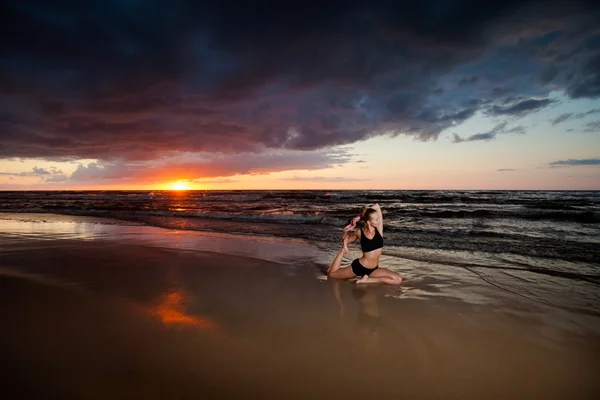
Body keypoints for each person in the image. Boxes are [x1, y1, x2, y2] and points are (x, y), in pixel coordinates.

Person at [327, 203, 402, 285]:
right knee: (331, 275)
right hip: (359, 267)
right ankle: (363, 276)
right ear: (369, 222)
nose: (379, 221)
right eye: (376, 219)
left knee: (398, 279)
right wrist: (344, 232)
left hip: (373, 269)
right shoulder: (359, 233)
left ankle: (367, 280)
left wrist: (359, 217)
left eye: (378, 218)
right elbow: (345, 241)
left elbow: (376, 206)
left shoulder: (379, 230)